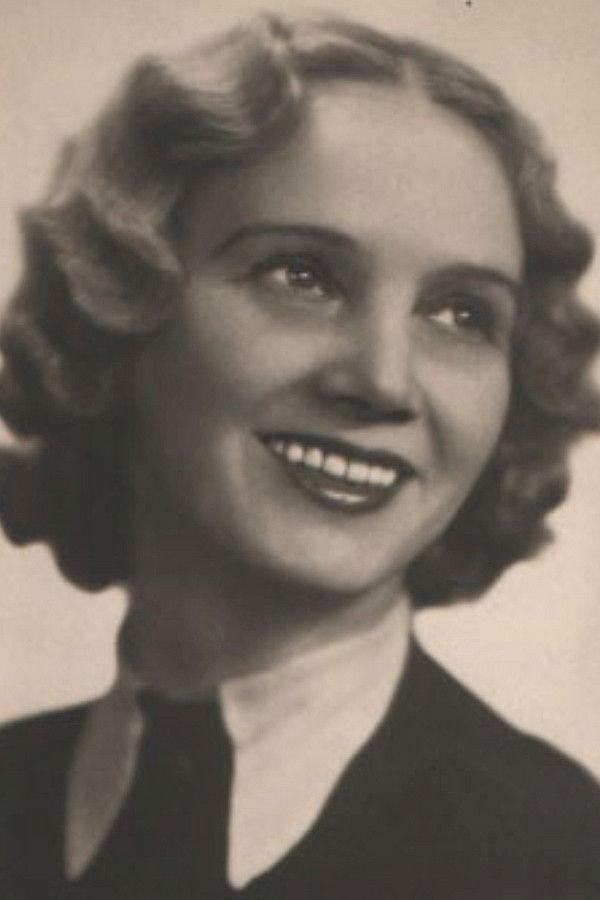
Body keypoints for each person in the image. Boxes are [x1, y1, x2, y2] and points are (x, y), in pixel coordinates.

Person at [0, 12, 599, 899]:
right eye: (303, 276)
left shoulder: (564, 857)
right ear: (121, 307)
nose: (384, 381)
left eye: (462, 314)